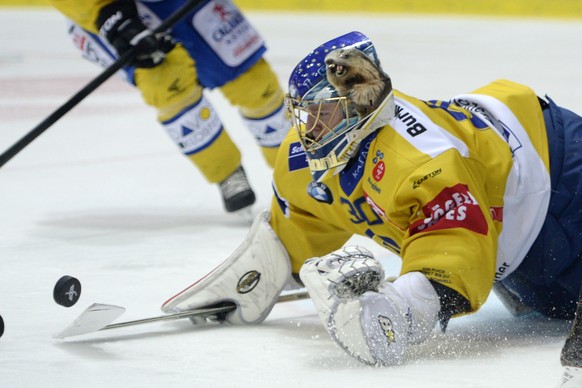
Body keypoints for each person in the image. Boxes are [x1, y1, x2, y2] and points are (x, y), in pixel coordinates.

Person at [161, 31, 582, 370]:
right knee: (546, 308)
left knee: (555, 299)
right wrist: (255, 277)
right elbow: (306, 216)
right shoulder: (304, 157)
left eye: (319, 113)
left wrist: (394, 310)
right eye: (302, 114)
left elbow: (456, 245)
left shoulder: (422, 161)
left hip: (561, 175)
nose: (308, 129)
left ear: (357, 103)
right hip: (520, 230)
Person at [48, 0, 290, 213]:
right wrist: (110, 19)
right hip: (108, 10)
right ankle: (226, 172)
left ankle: (293, 162)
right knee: (167, 85)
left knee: (255, 84)